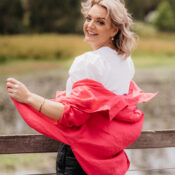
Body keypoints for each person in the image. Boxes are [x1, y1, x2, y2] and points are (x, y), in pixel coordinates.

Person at [6, 0, 156, 175]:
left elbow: (72, 115)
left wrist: (29, 97)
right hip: (108, 155)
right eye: (88, 18)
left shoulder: (88, 62)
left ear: (114, 29)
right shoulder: (125, 61)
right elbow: (109, 107)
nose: (90, 25)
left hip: (79, 157)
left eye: (100, 22)